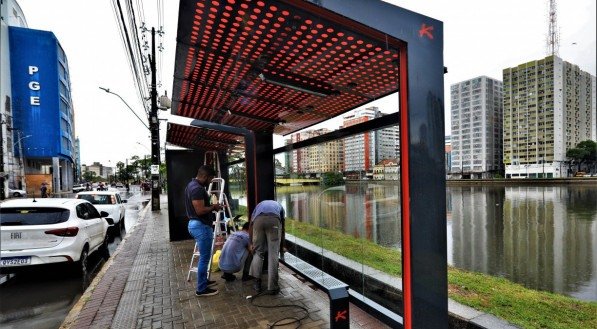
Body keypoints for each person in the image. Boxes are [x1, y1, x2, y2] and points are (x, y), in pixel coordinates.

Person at [185, 165, 222, 297]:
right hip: (200, 226)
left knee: (204, 257)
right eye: (211, 178)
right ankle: (201, 289)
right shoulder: (197, 189)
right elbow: (200, 211)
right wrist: (214, 206)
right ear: (205, 176)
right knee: (205, 259)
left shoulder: (191, 185)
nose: (211, 181)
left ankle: (204, 281)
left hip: (196, 224)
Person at [248, 200, 286, 294]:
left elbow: (251, 225)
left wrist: (250, 243)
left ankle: (257, 284)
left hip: (258, 221)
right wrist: (281, 247)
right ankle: (273, 287)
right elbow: (282, 228)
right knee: (273, 255)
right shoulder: (280, 207)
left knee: (258, 252)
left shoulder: (259, 205)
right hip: (274, 221)